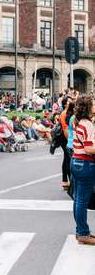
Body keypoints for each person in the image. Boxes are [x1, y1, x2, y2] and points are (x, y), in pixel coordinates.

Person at [71, 95, 95, 245]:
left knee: (78, 199)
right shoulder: (88, 124)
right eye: (93, 104)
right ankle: (83, 233)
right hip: (86, 163)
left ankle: (80, 230)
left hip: (75, 161)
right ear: (87, 108)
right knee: (81, 200)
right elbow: (88, 148)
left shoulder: (77, 121)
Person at [59, 97, 73, 190]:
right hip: (64, 138)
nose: (71, 101)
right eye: (68, 101)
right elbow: (65, 129)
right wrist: (69, 141)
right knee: (68, 159)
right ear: (65, 104)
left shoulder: (68, 113)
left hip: (67, 138)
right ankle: (68, 181)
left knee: (66, 159)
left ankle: (65, 181)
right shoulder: (64, 114)